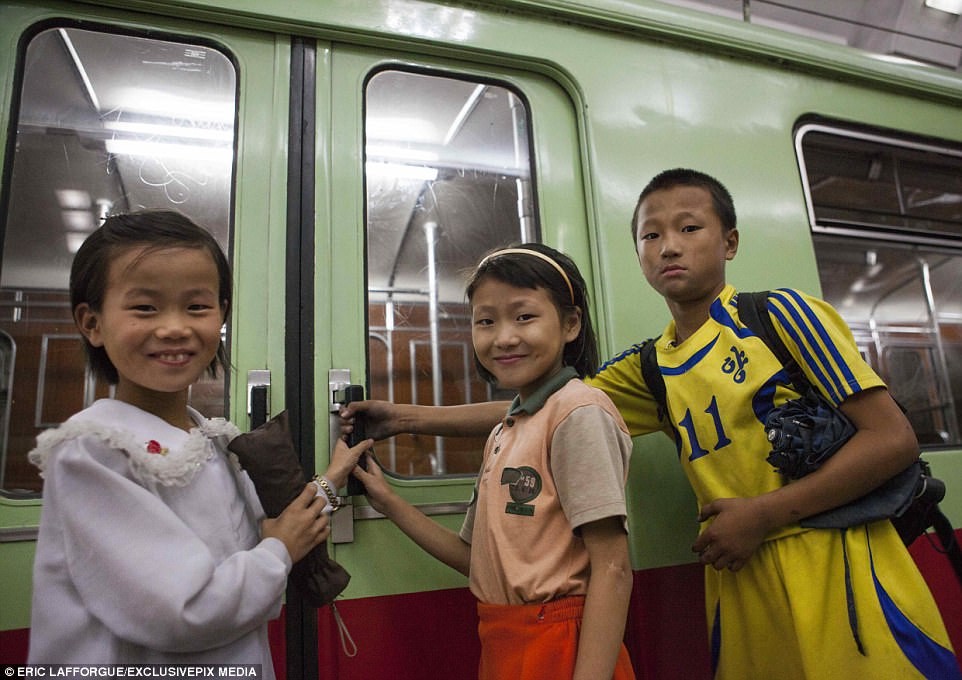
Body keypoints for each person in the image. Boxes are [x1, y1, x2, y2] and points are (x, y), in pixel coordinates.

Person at [343, 170, 960, 679]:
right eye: (650, 235)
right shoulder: (652, 366)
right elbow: (530, 408)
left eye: (690, 229)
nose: (669, 246)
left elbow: (892, 439)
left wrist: (766, 513)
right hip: (741, 578)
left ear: (731, 242)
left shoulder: (780, 315)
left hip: (839, 561)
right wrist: (401, 417)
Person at [27, 210, 371, 670]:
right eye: (145, 307)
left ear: (221, 314)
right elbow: (182, 610)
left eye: (196, 307)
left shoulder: (208, 439)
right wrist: (279, 553)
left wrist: (333, 477)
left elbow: (270, 528)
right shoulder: (94, 451)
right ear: (92, 323)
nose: (174, 327)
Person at [347, 244, 637, 680]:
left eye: (524, 317)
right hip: (503, 638)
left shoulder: (578, 412)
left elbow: (613, 567)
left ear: (571, 323)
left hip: (562, 642)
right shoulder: (506, 430)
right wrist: (389, 502)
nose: (503, 337)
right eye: (486, 321)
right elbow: (473, 559)